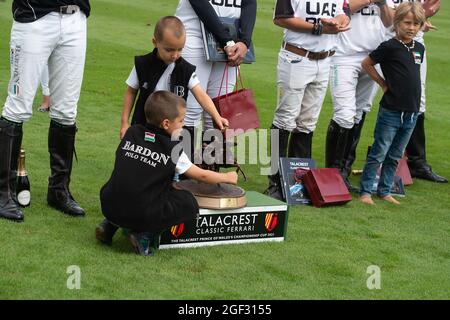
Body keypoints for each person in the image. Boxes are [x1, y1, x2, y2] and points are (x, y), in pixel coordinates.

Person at [97, 91, 238, 256]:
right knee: (187, 203)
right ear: (165, 124)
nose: (183, 125)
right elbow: (202, 175)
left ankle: (109, 225)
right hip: (141, 211)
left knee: (132, 189)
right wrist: (227, 177)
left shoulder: (132, 132)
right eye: (181, 121)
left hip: (108, 202)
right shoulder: (172, 149)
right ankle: (143, 234)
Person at [0, 1, 90, 222]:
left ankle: (59, 190)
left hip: (75, 18)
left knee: (66, 112)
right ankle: (4, 193)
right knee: (17, 107)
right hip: (34, 17)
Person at [265, 0, 351, 200]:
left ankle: (298, 182)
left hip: (325, 59)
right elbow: (281, 18)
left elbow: (345, 12)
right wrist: (319, 28)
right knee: (284, 120)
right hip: (296, 57)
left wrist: (337, 22)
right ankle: (275, 182)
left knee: (307, 122)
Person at [119, 16, 228, 143]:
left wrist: (217, 116)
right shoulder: (142, 64)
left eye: (180, 49)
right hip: (143, 128)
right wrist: (124, 122)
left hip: (172, 134)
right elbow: (131, 91)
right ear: (155, 42)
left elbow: (201, 95)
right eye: (169, 49)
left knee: (171, 161)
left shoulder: (186, 70)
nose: (175, 55)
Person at [359, 1, 426, 205]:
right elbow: (367, 63)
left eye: (416, 24)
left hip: (412, 111)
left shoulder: (419, 48)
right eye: (407, 23)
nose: (411, 27)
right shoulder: (389, 46)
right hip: (391, 110)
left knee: (396, 155)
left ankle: (385, 190)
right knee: (379, 151)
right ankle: (365, 192)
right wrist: (382, 83)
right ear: (397, 23)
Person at [326, 0, 394, 191]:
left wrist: (381, 5)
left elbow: (389, 23)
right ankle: (333, 174)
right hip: (345, 55)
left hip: (373, 56)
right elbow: (343, 11)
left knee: (359, 112)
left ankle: (344, 171)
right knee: (344, 114)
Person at [175, 0, 257, 150]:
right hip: (194, 36)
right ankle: (182, 171)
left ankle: (209, 171)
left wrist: (245, 41)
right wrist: (226, 40)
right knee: (189, 111)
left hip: (232, 39)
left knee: (218, 115)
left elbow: (249, 2)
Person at [388, 0, 446, 183]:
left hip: (415, 44)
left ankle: (417, 162)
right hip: (382, 40)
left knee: (418, 101)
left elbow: (428, 7)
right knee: (359, 106)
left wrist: (424, 17)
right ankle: (342, 168)